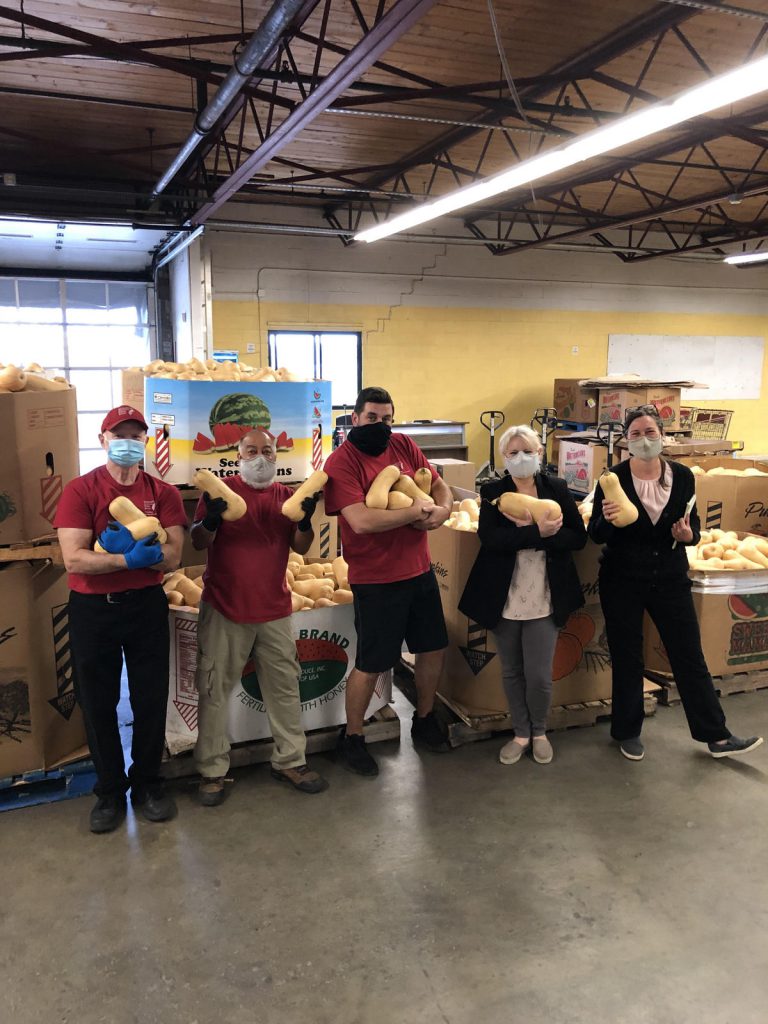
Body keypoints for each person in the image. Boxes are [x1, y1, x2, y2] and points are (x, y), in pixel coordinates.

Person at [588, 404, 763, 761]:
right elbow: (596, 534)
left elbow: (694, 528)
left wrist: (688, 535)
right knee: (627, 656)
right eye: (636, 433)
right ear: (626, 440)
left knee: (688, 655)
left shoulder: (683, 476)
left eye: (651, 432)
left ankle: (716, 735)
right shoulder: (613, 479)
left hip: (669, 577)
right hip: (622, 578)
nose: (644, 439)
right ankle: (627, 732)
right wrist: (607, 520)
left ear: (663, 436)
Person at [54, 405, 187, 833]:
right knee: (98, 701)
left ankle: (148, 784)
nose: (128, 441)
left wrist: (135, 561)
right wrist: (124, 559)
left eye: (136, 434)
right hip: (93, 611)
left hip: (145, 605)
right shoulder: (81, 490)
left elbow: (173, 554)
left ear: (145, 440)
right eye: (119, 434)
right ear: (103, 438)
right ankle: (110, 790)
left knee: (150, 697)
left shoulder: (162, 493)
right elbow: (73, 559)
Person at [190, 428, 329, 805]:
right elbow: (198, 541)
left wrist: (304, 522)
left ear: (277, 455)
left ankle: (290, 760)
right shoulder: (219, 493)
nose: (260, 457)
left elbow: (301, 545)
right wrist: (212, 522)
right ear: (238, 456)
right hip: (224, 606)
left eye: (267, 451)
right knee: (215, 689)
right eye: (251, 451)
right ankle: (212, 770)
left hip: (274, 609)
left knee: (285, 687)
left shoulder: (287, 497)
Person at [323, 386, 453, 777]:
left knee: (432, 648)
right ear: (355, 418)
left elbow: (437, 483)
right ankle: (354, 736)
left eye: (387, 418)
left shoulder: (404, 445)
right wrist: (416, 510)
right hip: (376, 579)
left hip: (419, 569)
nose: (381, 425)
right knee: (373, 662)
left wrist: (441, 511)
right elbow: (360, 521)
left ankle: (425, 719)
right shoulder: (341, 462)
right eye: (372, 418)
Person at [459, 425, 587, 765]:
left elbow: (577, 537)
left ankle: (540, 730)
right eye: (513, 453)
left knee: (540, 674)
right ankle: (521, 732)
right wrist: (537, 532)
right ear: (504, 458)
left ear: (540, 453)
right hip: (504, 595)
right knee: (512, 671)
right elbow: (490, 539)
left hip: (546, 594)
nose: (520, 458)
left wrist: (538, 535)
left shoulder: (557, 489)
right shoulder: (492, 491)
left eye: (527, 451)